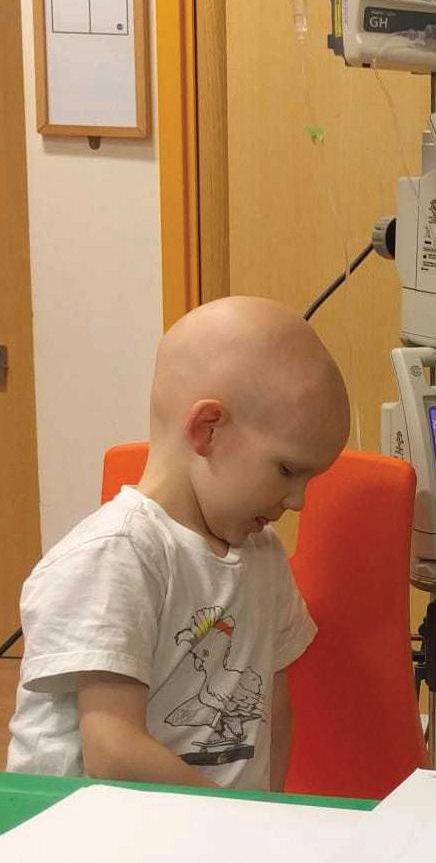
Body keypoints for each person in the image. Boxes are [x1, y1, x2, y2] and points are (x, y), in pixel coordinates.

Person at [6, 297, 351, 791]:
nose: (298, 501)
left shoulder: (263, 556)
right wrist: (228, 818)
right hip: (82, 825)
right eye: (287, 470)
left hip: (201, 824)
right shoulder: (116, 554)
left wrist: (266, 817)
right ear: (208, 430)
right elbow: (113, 751)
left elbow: (273, 711)